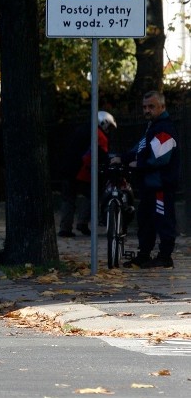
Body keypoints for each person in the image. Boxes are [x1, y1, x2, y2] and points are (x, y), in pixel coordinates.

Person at [120, 91, 181, 268]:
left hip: (160, 183)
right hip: (151, 183)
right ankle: (145, 254)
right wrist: (123, 158)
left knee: (162, 220)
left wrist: (136, 164)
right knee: (146, 219)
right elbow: (140, 147)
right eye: (145, 107)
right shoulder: (153, 127)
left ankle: (164, 256)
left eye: (151, 106)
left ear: (162, 107)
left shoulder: (164, 128)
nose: (147, 110)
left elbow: (159, 158)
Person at [58, 111, 116, 237]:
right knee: (92, 195)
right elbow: (102, 155)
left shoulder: (80, 129)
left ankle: (65, 228)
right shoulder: (99, 135)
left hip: (68, 169)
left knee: (68, 199)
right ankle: (82, 223)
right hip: (82, 171)